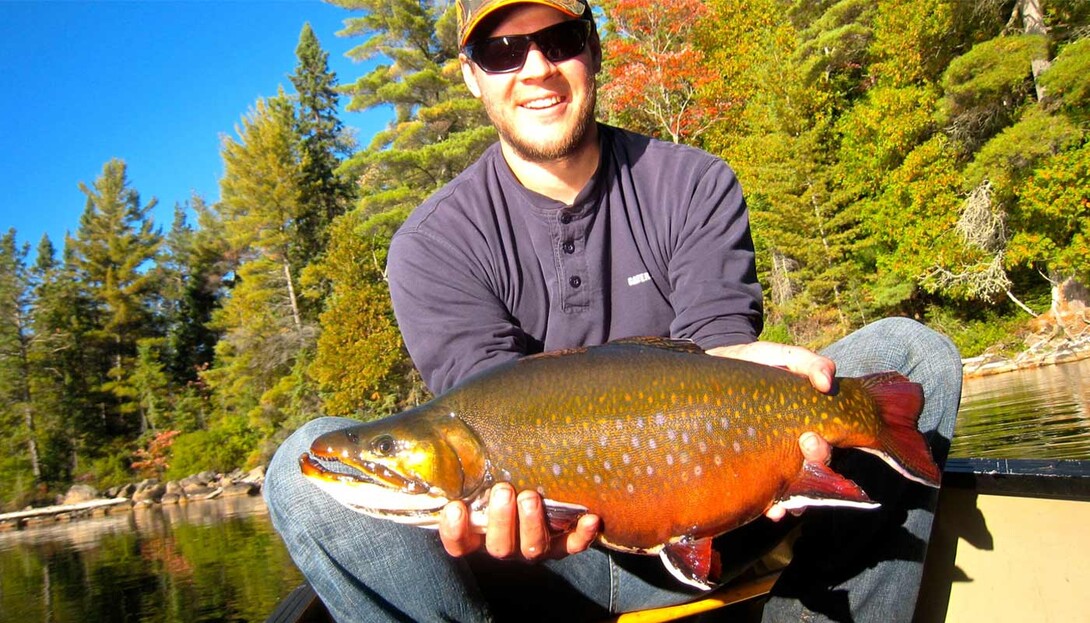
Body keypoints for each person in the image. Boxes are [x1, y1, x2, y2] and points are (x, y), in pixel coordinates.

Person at [263, 0, 962, 620]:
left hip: (711, 502)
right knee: (303, 469)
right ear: (471, 74)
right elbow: (490, 399)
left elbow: (722, 354)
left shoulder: (693, 182)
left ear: (592, 49)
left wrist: (776, 432)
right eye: (502, 51)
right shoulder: (431, 244)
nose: (536, 67)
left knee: (912, 355)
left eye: (558, 39)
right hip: (534, 560)